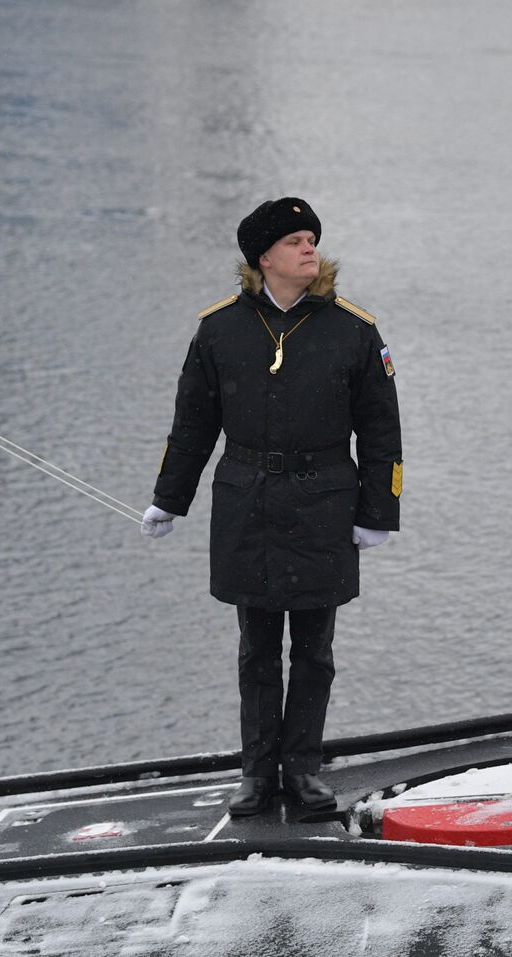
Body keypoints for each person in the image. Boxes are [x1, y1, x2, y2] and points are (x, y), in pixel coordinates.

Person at [141, 197, 402, 816]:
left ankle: (304, 771)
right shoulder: (220, 329)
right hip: (247, 506)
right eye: (295, 241)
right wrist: (167, 500)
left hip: (323, 507)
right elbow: (192, 426)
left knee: (314, 650)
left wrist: (377, 513)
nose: (310, 248)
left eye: (312, 238)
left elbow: (383, 432)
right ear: (264, 258)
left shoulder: (353, 330)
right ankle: (257, 775)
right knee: (257, 650)